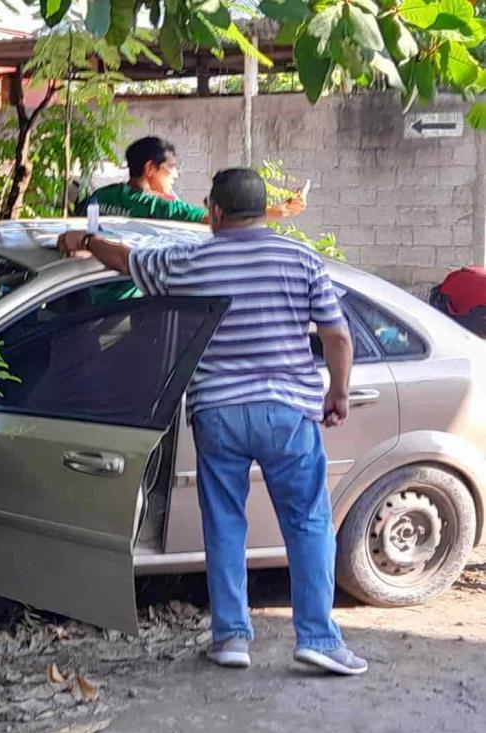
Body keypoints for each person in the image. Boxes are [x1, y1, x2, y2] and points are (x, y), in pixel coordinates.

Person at [58, 168, 367, 677]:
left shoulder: (190, 258)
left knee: (225, 520)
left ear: (216, 213)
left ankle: (230, 637)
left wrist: (87, 239)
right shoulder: (301, 258)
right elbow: (336, 336)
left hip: (218, 412)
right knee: (309, 521)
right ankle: (317, 638)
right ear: (263, 210)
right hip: (287, 411)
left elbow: (126, 261)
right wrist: (338, 393)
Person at [76, 136, 306, 224]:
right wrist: (278, 211)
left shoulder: (98, 198)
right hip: (129, 304)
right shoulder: (160, 207)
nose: (176, 175)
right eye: (171, 168)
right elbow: (217, 220)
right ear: (150, 169)